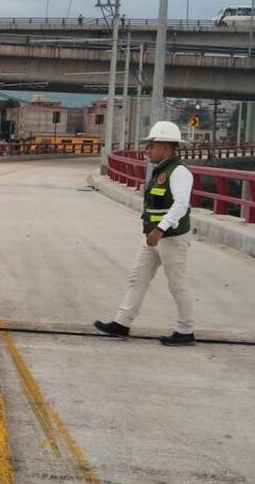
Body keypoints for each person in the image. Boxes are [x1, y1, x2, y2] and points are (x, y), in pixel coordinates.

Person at [95, 121, 197, 346]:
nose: (147, 149)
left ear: (167, 147)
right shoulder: (160, 170)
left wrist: (161, 228)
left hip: (171, 237)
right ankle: (122, 323)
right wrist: (154, 231)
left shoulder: (178, 171)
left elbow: (181, 204)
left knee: (177, 284)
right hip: (153, 235)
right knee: (137, 278)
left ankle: (185, 330)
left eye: (152, 145)